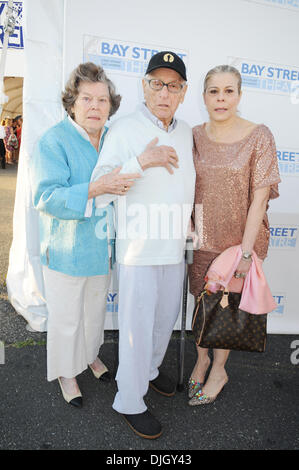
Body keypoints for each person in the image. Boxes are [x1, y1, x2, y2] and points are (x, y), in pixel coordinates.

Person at [87, 51, 195, 439]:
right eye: (157, 83)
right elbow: (99, 190)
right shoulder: (124, 129)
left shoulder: (186, 131)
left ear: (183, 92)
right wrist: (141, 161)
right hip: (138, 251)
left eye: (173, 85)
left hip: (173, 248)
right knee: (135, 327)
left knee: (164, 322)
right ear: (144, 87)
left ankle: (149, 371)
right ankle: (129, 400)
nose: (164, 92)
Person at [30, 62, 141, 408]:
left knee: (94, 312)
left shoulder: (113, 138)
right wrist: (94, 189)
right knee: (65, 317)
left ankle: (90, 356)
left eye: (102, 100)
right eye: (87, 99)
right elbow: (46, 197)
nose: (95, 106)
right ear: (72, 103)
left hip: (102, 246)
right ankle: (66, 371)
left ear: (112, 105)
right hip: (65, 248)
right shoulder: (53, 141)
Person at [188, 65, 281, 405]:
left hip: (239, 242)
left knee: (227, 308)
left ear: (240, 96)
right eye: (214, 91)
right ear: (204, 97)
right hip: (201, 240)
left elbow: (260, 199)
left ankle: (219, 370)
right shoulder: (194, 135)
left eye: (229, 91)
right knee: (201, 304)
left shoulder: (259, 135)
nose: (221, 98)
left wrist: (244, 253)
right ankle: (200, 361)